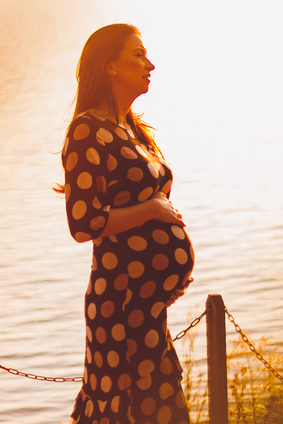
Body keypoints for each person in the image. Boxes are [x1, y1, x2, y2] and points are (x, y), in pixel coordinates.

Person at [59, 23, 196, 424]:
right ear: (110, 66)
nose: (149, 64)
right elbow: (83, 223)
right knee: (121, 411)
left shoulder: (132, 129)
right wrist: (154, 212)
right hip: (118, 306)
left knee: (159, 407)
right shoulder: (88, 131)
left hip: (144, 306)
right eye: (138, 54)